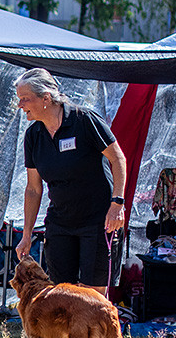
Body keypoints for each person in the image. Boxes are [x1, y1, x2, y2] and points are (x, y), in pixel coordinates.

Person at [14, 68, 126, 297]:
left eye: (25, 99)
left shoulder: (84, 120)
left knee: (91, 298)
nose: (20, 105)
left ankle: (98, 334)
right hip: (60, 222)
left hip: (98, 221)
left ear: (46, 98)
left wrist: (117, 204)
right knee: (60, 295)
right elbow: (33, 189)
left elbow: (118, 159)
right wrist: (26, 235)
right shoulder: (33, 135)